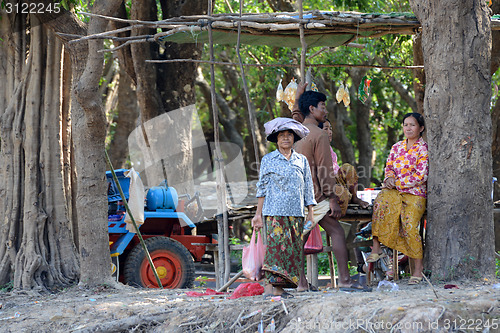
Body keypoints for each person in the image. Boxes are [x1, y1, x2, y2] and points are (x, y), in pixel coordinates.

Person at [293, 89, 370, 291]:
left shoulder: (296, 130)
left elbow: (296, 114)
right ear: (312, 108)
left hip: (298, 194)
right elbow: (324, 170)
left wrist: (297, 97)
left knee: (300, 237)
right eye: (322, 106)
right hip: (316, 195)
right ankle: (345, 281)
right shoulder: (319, 135)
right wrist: (333, 199)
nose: (325, 111)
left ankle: (301, 283)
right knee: (336, 231)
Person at [252, 117, 316, 298]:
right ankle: (276, 289)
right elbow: (262, 187)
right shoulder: (269, 160)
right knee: (276, 251)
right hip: (274, 212)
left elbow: (307, 186)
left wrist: (310, 212)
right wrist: (258, 214)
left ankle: (274, 289)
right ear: (276, 139)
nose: (285, 138)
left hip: (296, 213)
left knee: (292, 252)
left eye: (289, 135)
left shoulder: (301, 160)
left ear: (294, 139)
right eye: (282, 136)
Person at [367, 112, 428, 285]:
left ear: (421, 128)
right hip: (395, 192)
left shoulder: (423, 149)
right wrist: (389, 179)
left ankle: (418, 269)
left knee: (408, 225)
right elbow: (389, 168)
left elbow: (421, 175)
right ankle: (377, 247)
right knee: (381, 200)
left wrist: (398, 183)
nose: (408, 128)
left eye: (412, 125)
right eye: (405, 124)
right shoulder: (396, 147)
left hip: (415, 194)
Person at [320, 119, 370, 212]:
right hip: (325, 187)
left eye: (330, 129)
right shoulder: (316, 149)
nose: (330, 132)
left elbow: (336, 171)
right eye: (326, 129)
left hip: (335, 182)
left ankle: (354, 197)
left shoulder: (330, 149)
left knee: (348, 167)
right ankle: (346, 196)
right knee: (342, 193)